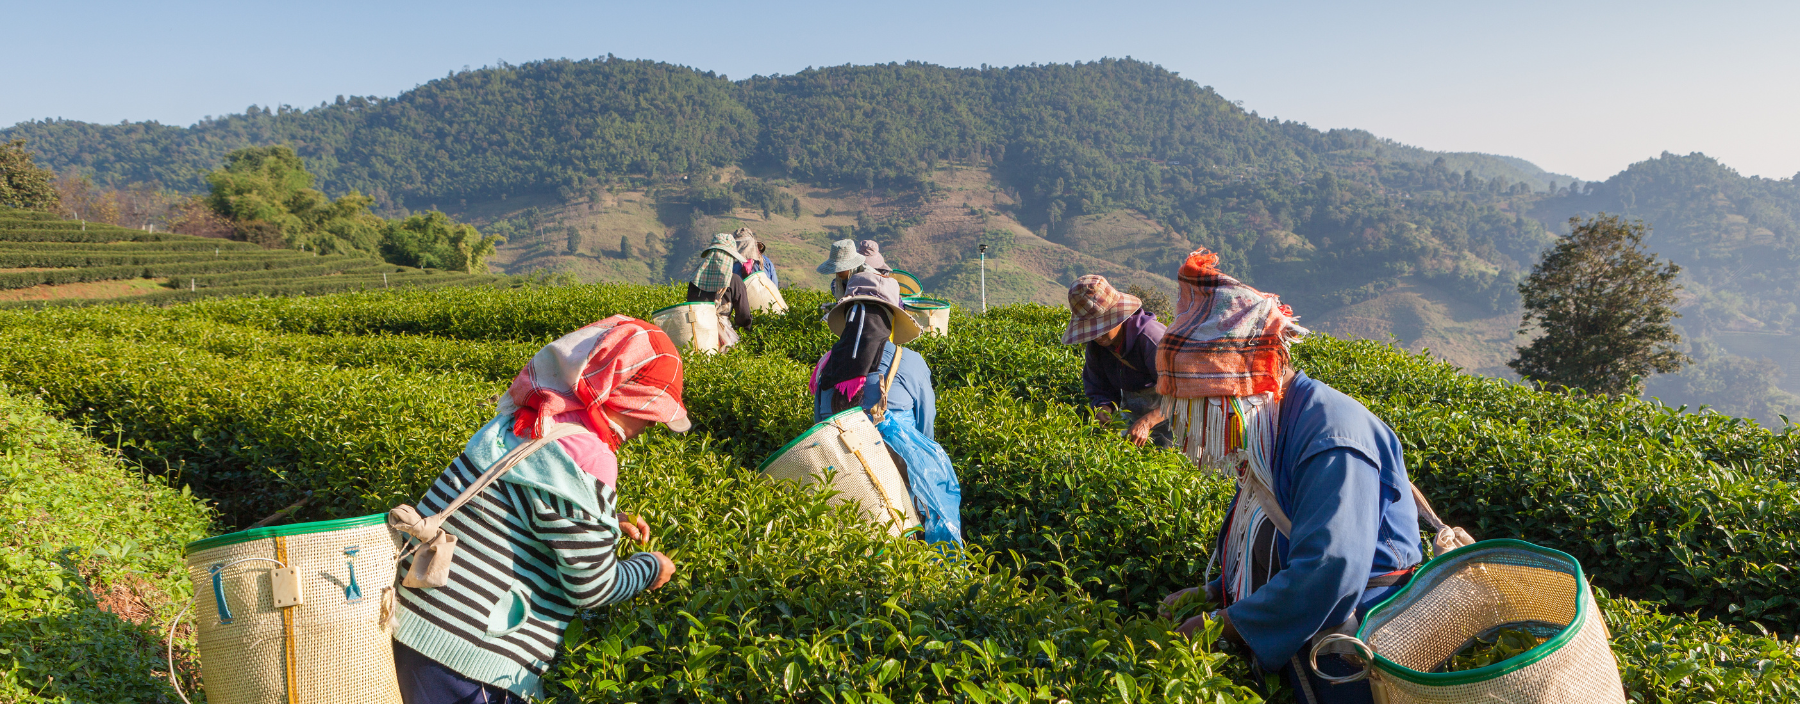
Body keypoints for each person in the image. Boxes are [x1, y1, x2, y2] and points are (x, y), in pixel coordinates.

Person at [1152, 249, 1424, 704]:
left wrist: (1227, 623)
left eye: (1208, 411)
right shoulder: (1272, 424)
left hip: (1357, 645)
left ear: (1246, 391)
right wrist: (1213, 591)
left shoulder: (1332, 440)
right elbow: (1258, 524)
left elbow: (1328, 570)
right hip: (1306, 632)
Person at [393, 316, 690, 704]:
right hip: (473, 654)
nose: (651, 423)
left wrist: (604, 521)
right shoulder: (591, 458)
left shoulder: (526, 420)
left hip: (415, 623)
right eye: (649, 408)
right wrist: (651, 568)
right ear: (621, 391)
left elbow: (518, 504)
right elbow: (592, 586)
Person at [808, 272, 963, 545]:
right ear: (890, 320)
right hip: (899, 495)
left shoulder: (825, 367)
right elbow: (926, 433)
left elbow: (819, 429)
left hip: (841, 493)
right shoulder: (910, 362)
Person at [1062, 275, 1172, 448]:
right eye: (1091, 330)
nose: (1097, 335)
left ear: (1117, 316)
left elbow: (1183, 393)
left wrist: (1148, 421)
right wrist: (1103, 407)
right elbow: (1098, 385)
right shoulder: (1097, 347)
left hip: (1174, 418)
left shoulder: (1152, 340)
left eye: (1101, 327)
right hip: (1133, 413)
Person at [688, 232, 754, 348]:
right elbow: (743, 315)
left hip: (698, 332)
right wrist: (746, 333)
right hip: (723, 335)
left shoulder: (695, 280)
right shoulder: (734, 281)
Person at [816, 238, 868, 311]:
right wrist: (834, 307)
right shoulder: (841, 281)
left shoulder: (866, 277)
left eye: (841, 269)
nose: (838, 273)